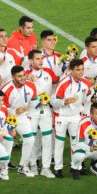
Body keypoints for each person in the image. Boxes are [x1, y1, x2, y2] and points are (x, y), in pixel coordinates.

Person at [52, 59, 91, 178]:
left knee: (76, 142)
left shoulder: (86, 83)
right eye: (78, 70)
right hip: (61, 116)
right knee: (59, 143)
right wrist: (65, 101)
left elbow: (87, 98)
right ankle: (58, 168)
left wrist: (92, 98)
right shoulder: (63, 83)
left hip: (75, 116)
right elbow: (53, 102)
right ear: (71, 70)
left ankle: (76, 167)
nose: (81, 72)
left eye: (82, 69)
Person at [26, 49, 58, 178]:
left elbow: (58, 80)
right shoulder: (25, 74)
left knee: (47, 138)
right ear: (31, 61)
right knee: (32, 138)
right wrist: (27, 80)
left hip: (46, 110)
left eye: (41, 58)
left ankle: (45, 167)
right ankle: (33, 164)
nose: (40, 61)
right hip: (32, 111)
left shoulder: (48, 73)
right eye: (37, 59)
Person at [1, 66, 38, 177]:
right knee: (8, 142)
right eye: (19, 76)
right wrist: (14, 111)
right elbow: (1, 110)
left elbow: (34, 102)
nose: (23, 78)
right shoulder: (6, 89)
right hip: (7, 119)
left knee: (30, 139)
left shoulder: (31, 85)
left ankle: (23, 166)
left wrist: (29, 112)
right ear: (13, 77)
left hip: (22, 117)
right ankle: (4, 169)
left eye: (24, 75)